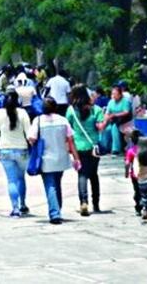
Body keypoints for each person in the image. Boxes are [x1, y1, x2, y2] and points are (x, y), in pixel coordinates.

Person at [27, 97, 80, 224]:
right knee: (57, 184)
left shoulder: (38, 121)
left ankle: (55, 213)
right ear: (55, 107)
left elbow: (31, 138)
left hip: (45, 159)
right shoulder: (63, 120)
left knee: (50, 185)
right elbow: (71, 140)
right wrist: (76, 157)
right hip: (61, 158)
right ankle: (57, 208)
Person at [0, 89, 31, 217]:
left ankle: (15, 208)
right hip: (22, 149)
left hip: (5, 149)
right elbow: (29, 133)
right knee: (21, 178)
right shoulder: (23, 113)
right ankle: (23, 204)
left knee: (11, 180)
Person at [65, 84, 105, 216]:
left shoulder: (71, 110)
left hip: (78, 147)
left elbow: (68, 128)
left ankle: (84, 202)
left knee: (82, 174)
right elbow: (100, 127)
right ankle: (96, 204)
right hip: (93, 147)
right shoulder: (96, 109)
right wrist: (107, 119)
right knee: (93, 174)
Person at [102, 84, 133, 155]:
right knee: (106, 129)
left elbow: (126, 112)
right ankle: (104, 147)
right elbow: (107, 113)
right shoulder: (111, 102)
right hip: (113, 121)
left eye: (115, 94)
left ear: (120, 94)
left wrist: (115, 115)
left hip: (125, 122)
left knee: (114, 128)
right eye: (112, 94)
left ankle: (116, 149)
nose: (113, 96)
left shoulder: (125, 101)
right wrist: (105, 121)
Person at [123, 130, 143, 216]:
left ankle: (138, 207)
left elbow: (127, 163)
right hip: (146, 174)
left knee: (137, 190)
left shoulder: (130, 151)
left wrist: (126, 173)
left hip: (135, 175)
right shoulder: (145, 150)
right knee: (145, 190)